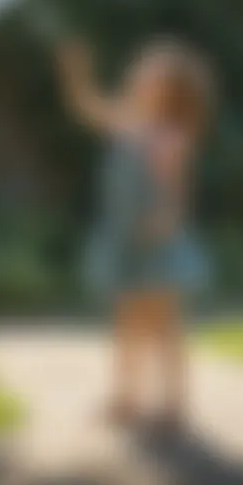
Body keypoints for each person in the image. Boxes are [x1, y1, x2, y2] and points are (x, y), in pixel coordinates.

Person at [56, 37, 213, 429]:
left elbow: (177, 196)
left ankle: (175, 402)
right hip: (126, 244)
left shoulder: (171, 138)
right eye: (142, 70)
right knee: (126, 322)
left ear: (170, 94)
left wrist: (163, 221)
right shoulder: (126, 122)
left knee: (164, 326)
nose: (141, 76)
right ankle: (126, 397)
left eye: (152, 75)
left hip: (158, 246)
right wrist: (76, 75)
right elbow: (87, 109)